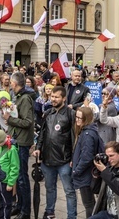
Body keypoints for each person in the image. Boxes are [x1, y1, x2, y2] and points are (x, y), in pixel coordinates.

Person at [33, 85, 78, 219]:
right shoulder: (48, 113)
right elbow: (42, 134)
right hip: (47, 159)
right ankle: (49, 212)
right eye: (52, 96)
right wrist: (38, 149)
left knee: (69, 191)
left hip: (64, 160)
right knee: (49, 188)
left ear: (63, 98)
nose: (53, 99)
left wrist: (73, 158)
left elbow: (75, 137)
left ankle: (72, 216)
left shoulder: (71, 114)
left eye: (56, 97)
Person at [4, 71, 36, 219]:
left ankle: (25, 211)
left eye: (11, 82)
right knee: (17, 176)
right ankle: (19, 205)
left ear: (15, 84)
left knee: (22, 177)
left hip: (22, 142)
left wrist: (10, 119)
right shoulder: (17, 97)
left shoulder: (25, 99)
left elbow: (28, 122)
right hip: (16, 140)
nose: (10, 84)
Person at [73, 106, 104, 218]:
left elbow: (86, 157)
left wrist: (76, 170)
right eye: (76, 117)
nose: (77, 120)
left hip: (86, 176)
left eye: (79, 118)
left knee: (89, 205)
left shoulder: (87, 134)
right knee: (90, 204)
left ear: (86, 119)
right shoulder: (88, 131)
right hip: (87, 174)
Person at [0, 129, 20, 219]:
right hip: (1, 179)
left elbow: (15, 167)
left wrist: (10, 183)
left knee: (6, 204)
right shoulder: (2, 147)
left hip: (6, 181)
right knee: (1, 202)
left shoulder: (11, 149)